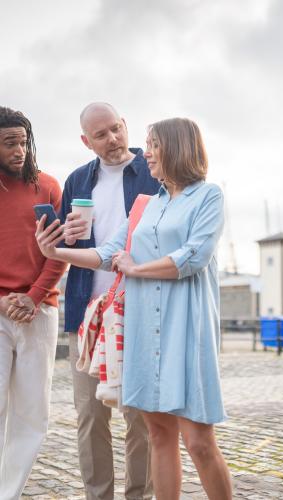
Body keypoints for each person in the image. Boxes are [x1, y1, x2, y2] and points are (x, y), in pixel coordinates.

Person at [36, 117, 233, 500]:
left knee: (198, 442)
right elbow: (108, 253)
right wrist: (53, 251)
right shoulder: (146, 204)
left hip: (186, 329)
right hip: (145, 331)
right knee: (159, 435)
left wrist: (137, 268)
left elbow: (193, 256)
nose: (148, 154)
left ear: (176, 148)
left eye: (154, 145)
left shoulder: (208, 196)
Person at [59, 102, 160, 500]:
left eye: (116, 128)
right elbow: (67, 244)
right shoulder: (77, 182)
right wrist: (66, 234)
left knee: (141, 418)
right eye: (101, 135)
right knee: (90, 417)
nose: (113, 139)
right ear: (87, 141)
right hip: (87, 311)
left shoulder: (155, 172)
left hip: (139, 309)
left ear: (126, 125)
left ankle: (139, 495)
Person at [0, 106, 67, 499]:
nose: (19, 150)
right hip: (0, 309)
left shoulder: (49, 187)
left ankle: (8, 493)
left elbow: (59, 252)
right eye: (9, 143)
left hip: (39, 311)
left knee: (31, 413)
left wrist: (34, 296)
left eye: (23, 142)